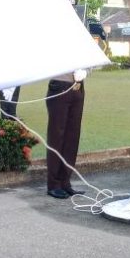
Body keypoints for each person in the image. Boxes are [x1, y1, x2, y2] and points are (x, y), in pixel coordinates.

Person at [44, 68, 88, 199]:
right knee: (57, 136)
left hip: (78, 86)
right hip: (60, 83)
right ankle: (53, 184)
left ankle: (65, 181)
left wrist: (87, 70)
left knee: (72, 137)